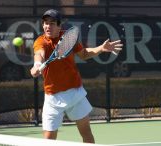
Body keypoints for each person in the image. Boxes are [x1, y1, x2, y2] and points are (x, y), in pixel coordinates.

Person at [30, 9, 123, 143]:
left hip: (75, 93)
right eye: (45, 23)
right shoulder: (41, 41)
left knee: (86, 133)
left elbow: (84, 53)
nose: (47, 26)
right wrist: (37, 65)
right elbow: (39, 53)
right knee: (48, 140)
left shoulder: (68, 38)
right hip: (53, 97)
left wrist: (101, 49)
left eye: (52, 23)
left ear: (59, 26)